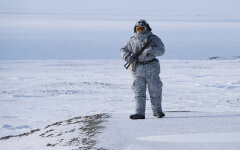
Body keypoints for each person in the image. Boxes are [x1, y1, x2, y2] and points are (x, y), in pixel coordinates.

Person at [120, 19, 165, 119]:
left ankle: (157, 111)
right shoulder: (131, 41)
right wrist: (127, 57)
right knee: (138, 91)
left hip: (152, 68)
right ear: (135, 29)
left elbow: (162, 50)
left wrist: (151, 50)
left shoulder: (154, 39)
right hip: (138, 69)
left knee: (155, 90)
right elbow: (122, 50)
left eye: (142, 28)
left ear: (147, 28)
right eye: (138, 28)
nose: (140, 30)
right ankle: (139, 113)